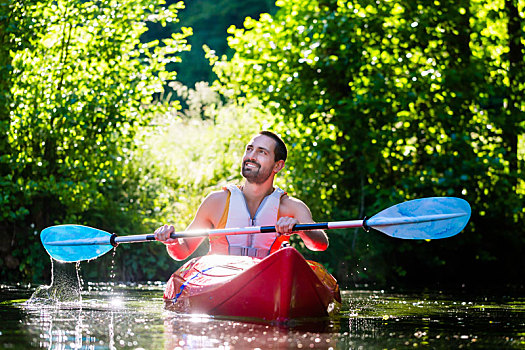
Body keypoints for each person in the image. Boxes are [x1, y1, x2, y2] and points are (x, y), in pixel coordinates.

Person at [154, 131, 328, 260]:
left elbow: (320, 244)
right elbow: (183, 251)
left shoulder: (291, 207)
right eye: (249, 149)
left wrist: (300, 228)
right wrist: (172, 242)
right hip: (219, 274)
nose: (251, 156)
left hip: (266, 276)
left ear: (278, 166)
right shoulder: (216, 202)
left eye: (262, 152)